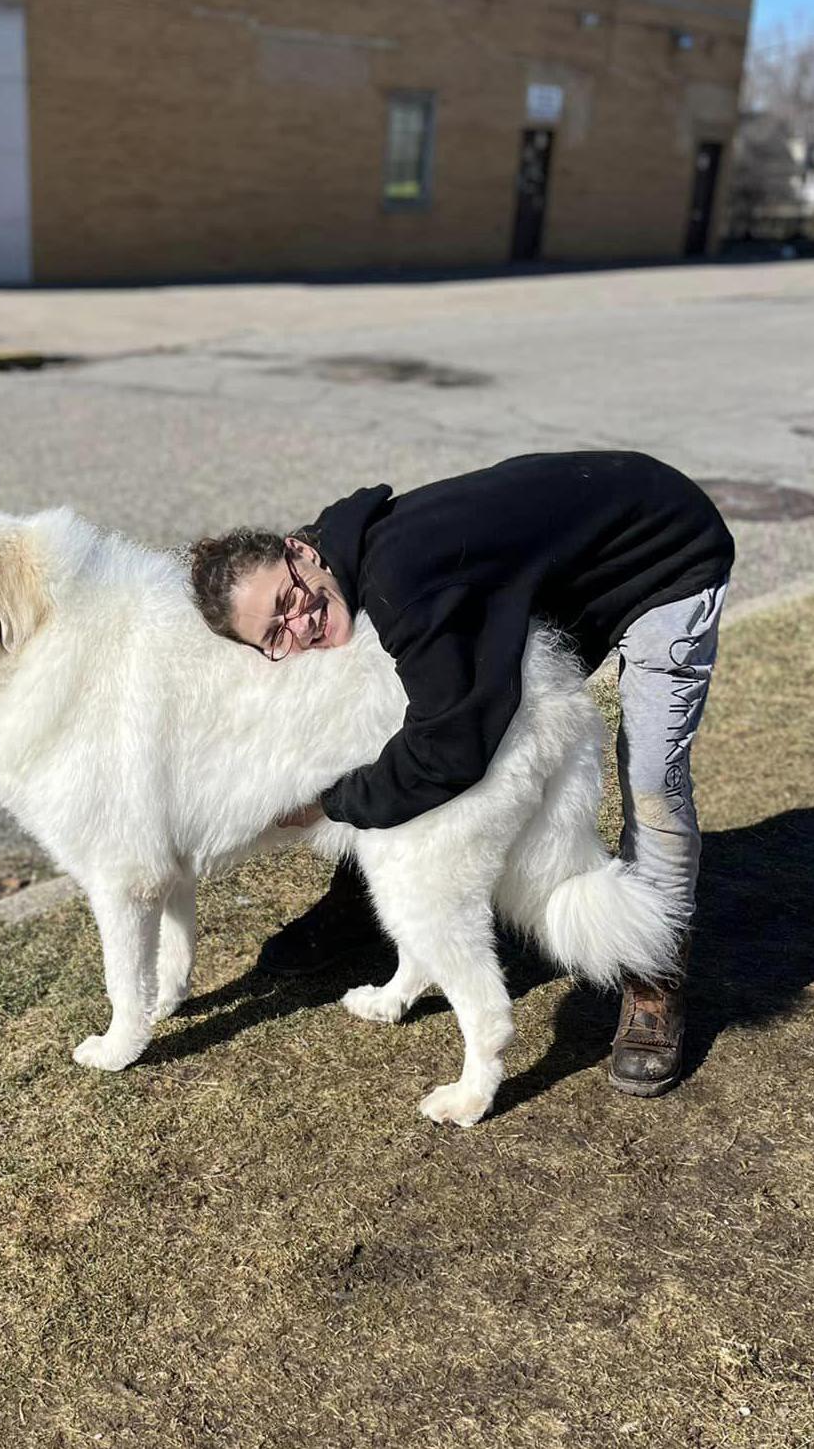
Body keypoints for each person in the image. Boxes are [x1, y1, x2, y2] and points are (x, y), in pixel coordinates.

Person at [190, 452, 733, 1097]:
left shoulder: (401, 580)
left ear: (298, 553)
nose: (299, 623)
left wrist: (333, 802)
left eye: (289, 599)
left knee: (653, 780)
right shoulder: (331, 562)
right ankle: (378, 927)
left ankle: (653, 973)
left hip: (667, 555)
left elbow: (451, 747)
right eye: (274, 633)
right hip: (574, 571)